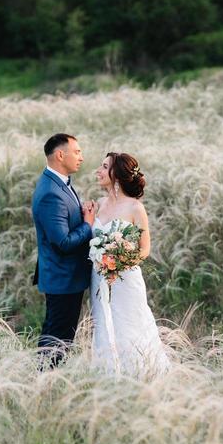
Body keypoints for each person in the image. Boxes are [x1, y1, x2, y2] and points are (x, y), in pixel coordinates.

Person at [90, 152, 171, 377]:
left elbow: (144, 249)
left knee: (130, 323)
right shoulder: (101, 204)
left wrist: (119, 262)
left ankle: (141, 373)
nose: (98, 170)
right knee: (104, 323)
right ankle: (108, 375)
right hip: (98, 277)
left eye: (104, 167)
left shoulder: (135, 208)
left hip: (125, 278)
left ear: (116, 174)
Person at [32, 133, 96, 368]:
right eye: (77, 152)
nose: (81, 157)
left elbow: (63, 222)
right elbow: (64, 242)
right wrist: (88, 224)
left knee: (59, 335)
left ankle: (46, 380)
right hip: (62, 278)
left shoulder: (59, 183)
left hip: (65, 277)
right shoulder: (51, 192)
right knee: (58, 338)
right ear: (61, 155)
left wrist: (80, 213)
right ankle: (45, 381)